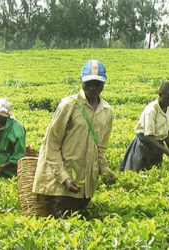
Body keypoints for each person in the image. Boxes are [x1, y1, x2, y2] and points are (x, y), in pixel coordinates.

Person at [32, 60, 116, 218]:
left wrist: (106, 171)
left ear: (103, 84)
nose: (92, 88)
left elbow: (100, 149)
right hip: (63, 185)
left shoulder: (107, 111)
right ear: (82, 81)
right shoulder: (69, 105)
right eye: (89, 83)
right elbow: (51, 144)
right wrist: (64, 178)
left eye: (97, 84)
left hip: (85, 188)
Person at [119, 81, 169, 172]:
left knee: (154, 172)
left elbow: (166, 129)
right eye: (167, 99)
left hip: (158, 146)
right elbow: (149, 137)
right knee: (138, 173)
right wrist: (167, 152)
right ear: (160, 94)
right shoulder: (151, 110)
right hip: (144, 146)